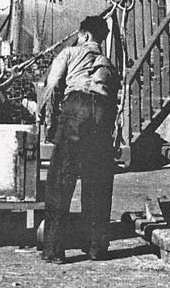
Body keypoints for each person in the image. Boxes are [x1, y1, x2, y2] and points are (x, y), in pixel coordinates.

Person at [27, 15, 119, 264]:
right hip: (101, 113)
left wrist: (44, 115)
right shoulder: (108, 63)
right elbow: (114, 100)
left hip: (75, 108)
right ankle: (96, 248)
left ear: (85, 35)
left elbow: (53, 84)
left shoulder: (69, 53)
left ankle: (54, 250)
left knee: (61, 180)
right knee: (97, 180)